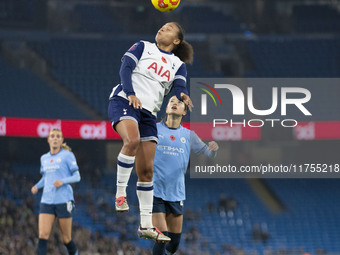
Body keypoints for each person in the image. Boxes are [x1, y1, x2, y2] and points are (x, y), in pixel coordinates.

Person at [108, 22, 194, 242]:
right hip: (125, 101)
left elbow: (180, 86)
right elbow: (125, 69)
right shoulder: (142, 46)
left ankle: (146, 225)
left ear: (176, 41)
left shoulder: (177, 64)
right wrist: (130, 93)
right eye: (162, 26)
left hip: (148, 114)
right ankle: (119, 195)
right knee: (132, 140)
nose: (161, 29)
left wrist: (184, 96)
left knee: (147, 171)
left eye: (168, 29)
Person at [152, 95, 219, 254]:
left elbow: (209, 154)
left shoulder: (189, 136)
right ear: (167, 109)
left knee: (174, 244)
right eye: (171, 102)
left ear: (184, 112)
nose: (175, 104)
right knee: (162, 236)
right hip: (155, 192)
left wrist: (214, 150)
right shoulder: (153, 129)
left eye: (179, 103)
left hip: (176, 194)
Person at [31, 129, 81, 255]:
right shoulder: (44, 158)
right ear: (48, 139)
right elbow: (46, 177)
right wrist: (37, 186)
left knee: (66, 239)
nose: (55, 138)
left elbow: (77, 176)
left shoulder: (68, 155)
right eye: (52, 136)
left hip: (64, 200)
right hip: (47, 201)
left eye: (58, 136)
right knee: (42, 236)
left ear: (61, 140)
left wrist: (63, 181)